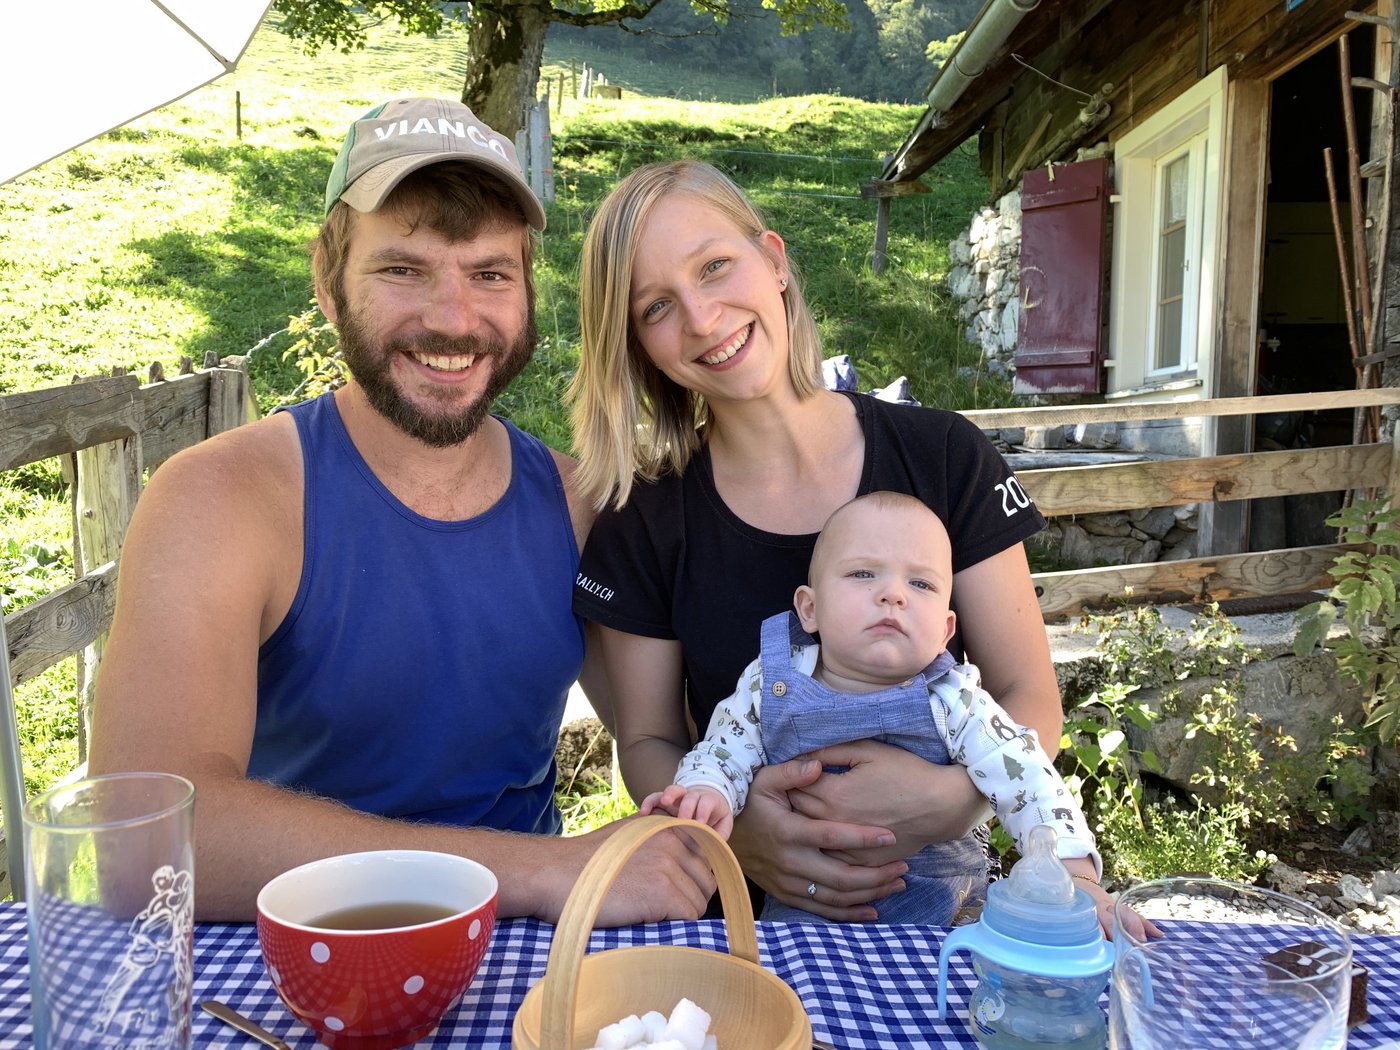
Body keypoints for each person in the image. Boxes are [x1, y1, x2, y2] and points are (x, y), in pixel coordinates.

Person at [88, 98, 715, 924]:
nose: (454, 320)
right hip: (286, 958)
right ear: (326, 278)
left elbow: (673, 745)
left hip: (529, 964)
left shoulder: (579, 505)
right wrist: (535, 871)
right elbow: (144, 847)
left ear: (528, 284)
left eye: (489, 273)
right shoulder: (222, 500)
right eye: (403, 269)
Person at [569, 159, 1062, 923]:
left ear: (774, 262)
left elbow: (1031, 695)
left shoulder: (944, 457)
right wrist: (736, 837)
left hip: (944, 912)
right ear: (635, 345)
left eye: (716, 267)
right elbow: (649, 741)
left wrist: (953, 801)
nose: (702, 319)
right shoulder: (647, 518)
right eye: (657, 306)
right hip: (744, 924)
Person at [641, 492, 1118, 931]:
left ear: (946, 629)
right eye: (863, 574)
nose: (893, 594)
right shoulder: (771, 684)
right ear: (809, 609)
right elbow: (722, 750)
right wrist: (707, 792)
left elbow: (1027, 777)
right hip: (803, 915)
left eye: (921, 583)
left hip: (950, 915)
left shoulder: (954, 698)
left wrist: (1074, 877)